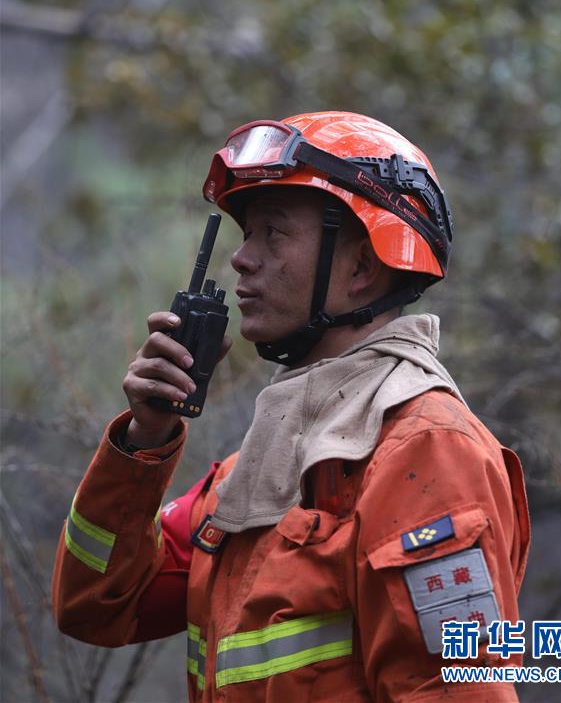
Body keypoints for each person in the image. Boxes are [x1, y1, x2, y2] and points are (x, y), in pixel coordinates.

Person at [53, 111, 530, 702]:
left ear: (361, 265)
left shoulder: (427, 451)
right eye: (246, 234)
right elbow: (96, 607)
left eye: (274, 233)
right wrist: (145, 441)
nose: (242, 259)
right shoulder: (251, 471)